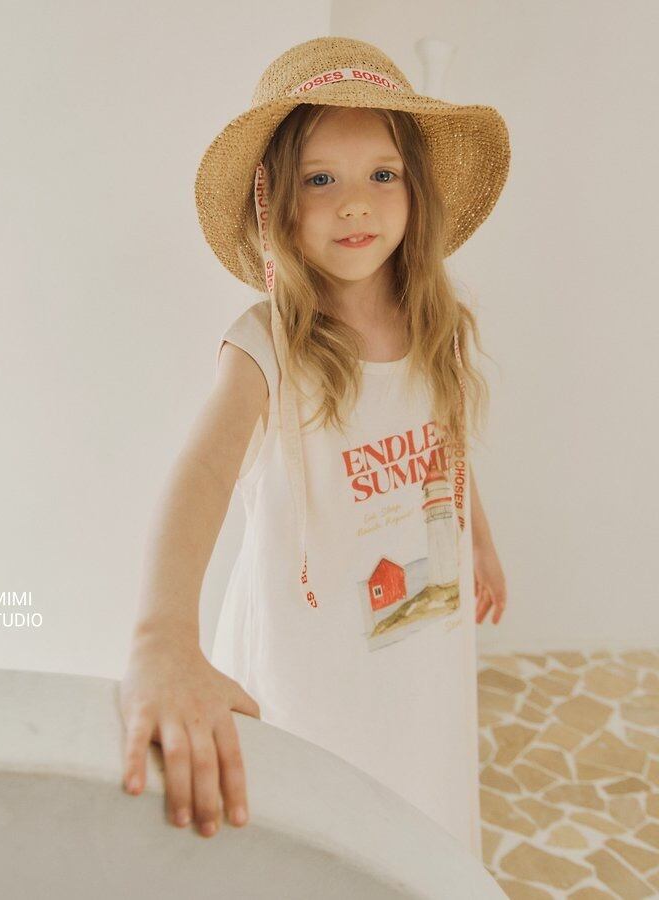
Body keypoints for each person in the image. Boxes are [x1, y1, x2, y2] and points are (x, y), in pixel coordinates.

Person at [119, 35, 510, 858]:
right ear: (276, 204)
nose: (356, 204)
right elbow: (202, 474)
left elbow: (447, 443)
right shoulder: (266, 346)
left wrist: (478, 535)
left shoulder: (437, 319)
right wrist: (162, 636)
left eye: (382, 174)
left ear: (416, 188)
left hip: (420, 642)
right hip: (314, 660)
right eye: (320, 180)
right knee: (316, 836)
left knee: (419, 802)